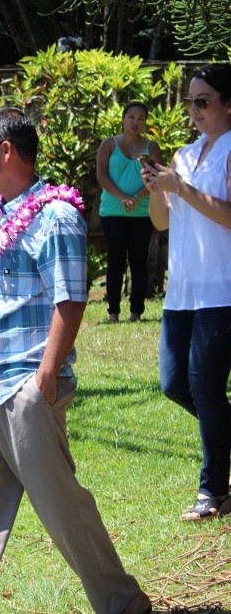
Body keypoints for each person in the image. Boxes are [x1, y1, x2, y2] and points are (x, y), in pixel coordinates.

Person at [0, 107, 150, 614]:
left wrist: (46, 379)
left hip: (26, 385)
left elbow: (70, 299)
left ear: (5, 151)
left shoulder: (56, 214)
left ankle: (122, 603)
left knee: (61, 509)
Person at [143, 63, 231, 522]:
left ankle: (213, 490)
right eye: (190, 102)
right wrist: (159, 189)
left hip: (222, 289)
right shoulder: (184, 155)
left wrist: (184, 188)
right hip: (182, 292)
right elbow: (162, 220)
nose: (194, 110)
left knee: (206, 387)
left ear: (228, 104)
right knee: (175, 384)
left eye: (204, 101)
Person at [96, 102, 160, 323]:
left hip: (142, 213)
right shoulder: (109, 144)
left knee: (139, 261)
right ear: (123, 119)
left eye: (141, 118)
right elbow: (101, 175)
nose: (135, 122)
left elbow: (157, 177)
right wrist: (123, 196)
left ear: (145, 122)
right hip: (113, 212)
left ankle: (136, 312)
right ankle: (113, 312)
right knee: (115, 261)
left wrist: (137, 197)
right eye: (131, 117)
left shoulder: (151, 147)